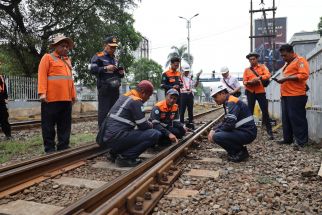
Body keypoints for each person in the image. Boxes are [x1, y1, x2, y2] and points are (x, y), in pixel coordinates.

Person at [100, 80, 160, 167]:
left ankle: (114, 153)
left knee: (133, 131)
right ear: (143, 92)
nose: (148, 98)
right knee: (154, 134)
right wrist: (150, 124)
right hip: (117, 137)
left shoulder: (124, 97)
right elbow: (143, 126)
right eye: (149, 95)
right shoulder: (136, 101)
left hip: (108, 137)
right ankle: (126, 158)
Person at [38, 34, 76, 153]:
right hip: (51, 99)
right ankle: (49, 148)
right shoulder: (47, 58)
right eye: (62, 46)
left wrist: (73, 95)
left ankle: (63, 146)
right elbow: (42, 75)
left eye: (67, 46)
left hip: (66, 99)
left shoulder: (68, 61)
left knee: (65, 125)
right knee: (48, 125)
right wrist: (42, 93)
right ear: (55, 46)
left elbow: (70, 79)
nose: (65, 48)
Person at [207, 83, 257, 162]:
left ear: (223, 93)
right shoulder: (228, 101)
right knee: (217, 133)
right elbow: (226, 121)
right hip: (245, 131)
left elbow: (229, 125)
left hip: (248, 132)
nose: (214, 99)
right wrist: (214, 129)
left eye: (215, 96)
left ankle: (240, 152)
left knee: (217, 136)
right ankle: (236, 151)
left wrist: (215, 131)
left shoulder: (232, 102)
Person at [274, 44, 309, 150]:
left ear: (291, 52)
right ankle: (287, 139)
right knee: (286, 119)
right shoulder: (287, 64)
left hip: (296, 95)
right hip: (285, 95)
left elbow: (304, 75)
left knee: (297, 118)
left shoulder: (300, 60)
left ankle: (301, 142)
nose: (283, 58)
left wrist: (286, 79)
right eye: (282, 56)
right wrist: (281, 79)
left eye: (285, 55)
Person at [90, 36, 125, 127]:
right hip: (104, 88)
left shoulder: (115, 59)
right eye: (111, 47)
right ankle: (102, 134)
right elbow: (92, 70)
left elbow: (118, 74)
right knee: (104, 112)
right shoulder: (98, 56)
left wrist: (121, 73)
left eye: (115, 47)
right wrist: (105, 68)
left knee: (115, 111)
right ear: (105, 45)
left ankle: (112, 132)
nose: (113, 49)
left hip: (115, 88)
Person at [243, 52, 274, 140]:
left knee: (265, 111)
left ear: (257, 59)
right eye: (250, 59)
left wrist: (259, 78)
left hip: (260, 92)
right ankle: (249, 131)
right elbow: (244, 81)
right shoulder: (246, 70)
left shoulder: (263, 67)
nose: (252, 61)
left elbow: (268, 75)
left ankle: (270, 132)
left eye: (253, 59)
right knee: (250, 112)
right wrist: (250, 82)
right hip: (250, 92)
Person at [179, 65, 200, 130]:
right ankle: (181, 124)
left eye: (188, 71)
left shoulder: (190, 78)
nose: (187, 72)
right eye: (185, 71)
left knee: (190, 110)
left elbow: (195, 86)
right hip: (183, 94)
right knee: (182, 110)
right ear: (183, 71)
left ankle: (190, 123)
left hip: (190, 94)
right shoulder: (180, 77)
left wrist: (198, 78)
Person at [0, 61, 12, 140]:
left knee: (4, 118)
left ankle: (8, 135)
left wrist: (6, 97)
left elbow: (4, 88)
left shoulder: (1, 77)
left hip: (1, 101)